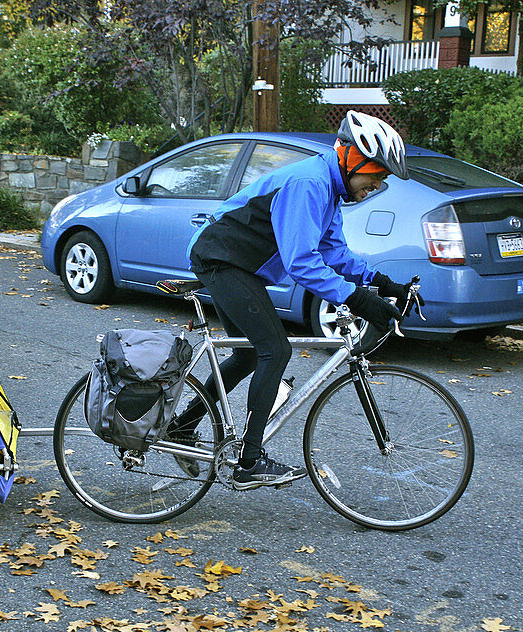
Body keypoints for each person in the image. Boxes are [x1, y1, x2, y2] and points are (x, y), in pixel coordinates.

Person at [169, 110, 423, 489]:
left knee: (249, 354)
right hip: (221, 259)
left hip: (239, 265)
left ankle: (181, 428)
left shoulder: (329, 189)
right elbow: (302, 263)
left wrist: (382, 282)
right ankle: (249, 462)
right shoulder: (309, 183)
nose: (374, 187)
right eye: (375, 177)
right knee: (275, 350)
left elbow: (334, 252)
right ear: (354, 160)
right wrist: (357, 299)